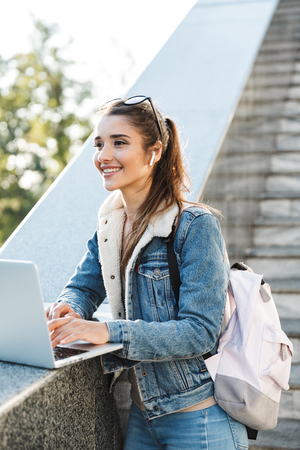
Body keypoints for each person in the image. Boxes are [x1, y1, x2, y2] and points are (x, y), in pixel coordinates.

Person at [47, 96, 248, 449]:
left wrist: (109, 331)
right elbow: (83, 284)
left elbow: (200, 331)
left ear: (154, 152)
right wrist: (70, 306)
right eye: (99, 144)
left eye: (119, 143)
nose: (103, 156)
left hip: (198, 420)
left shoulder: (194, 226)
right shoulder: (111, 221)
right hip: (142, 418)